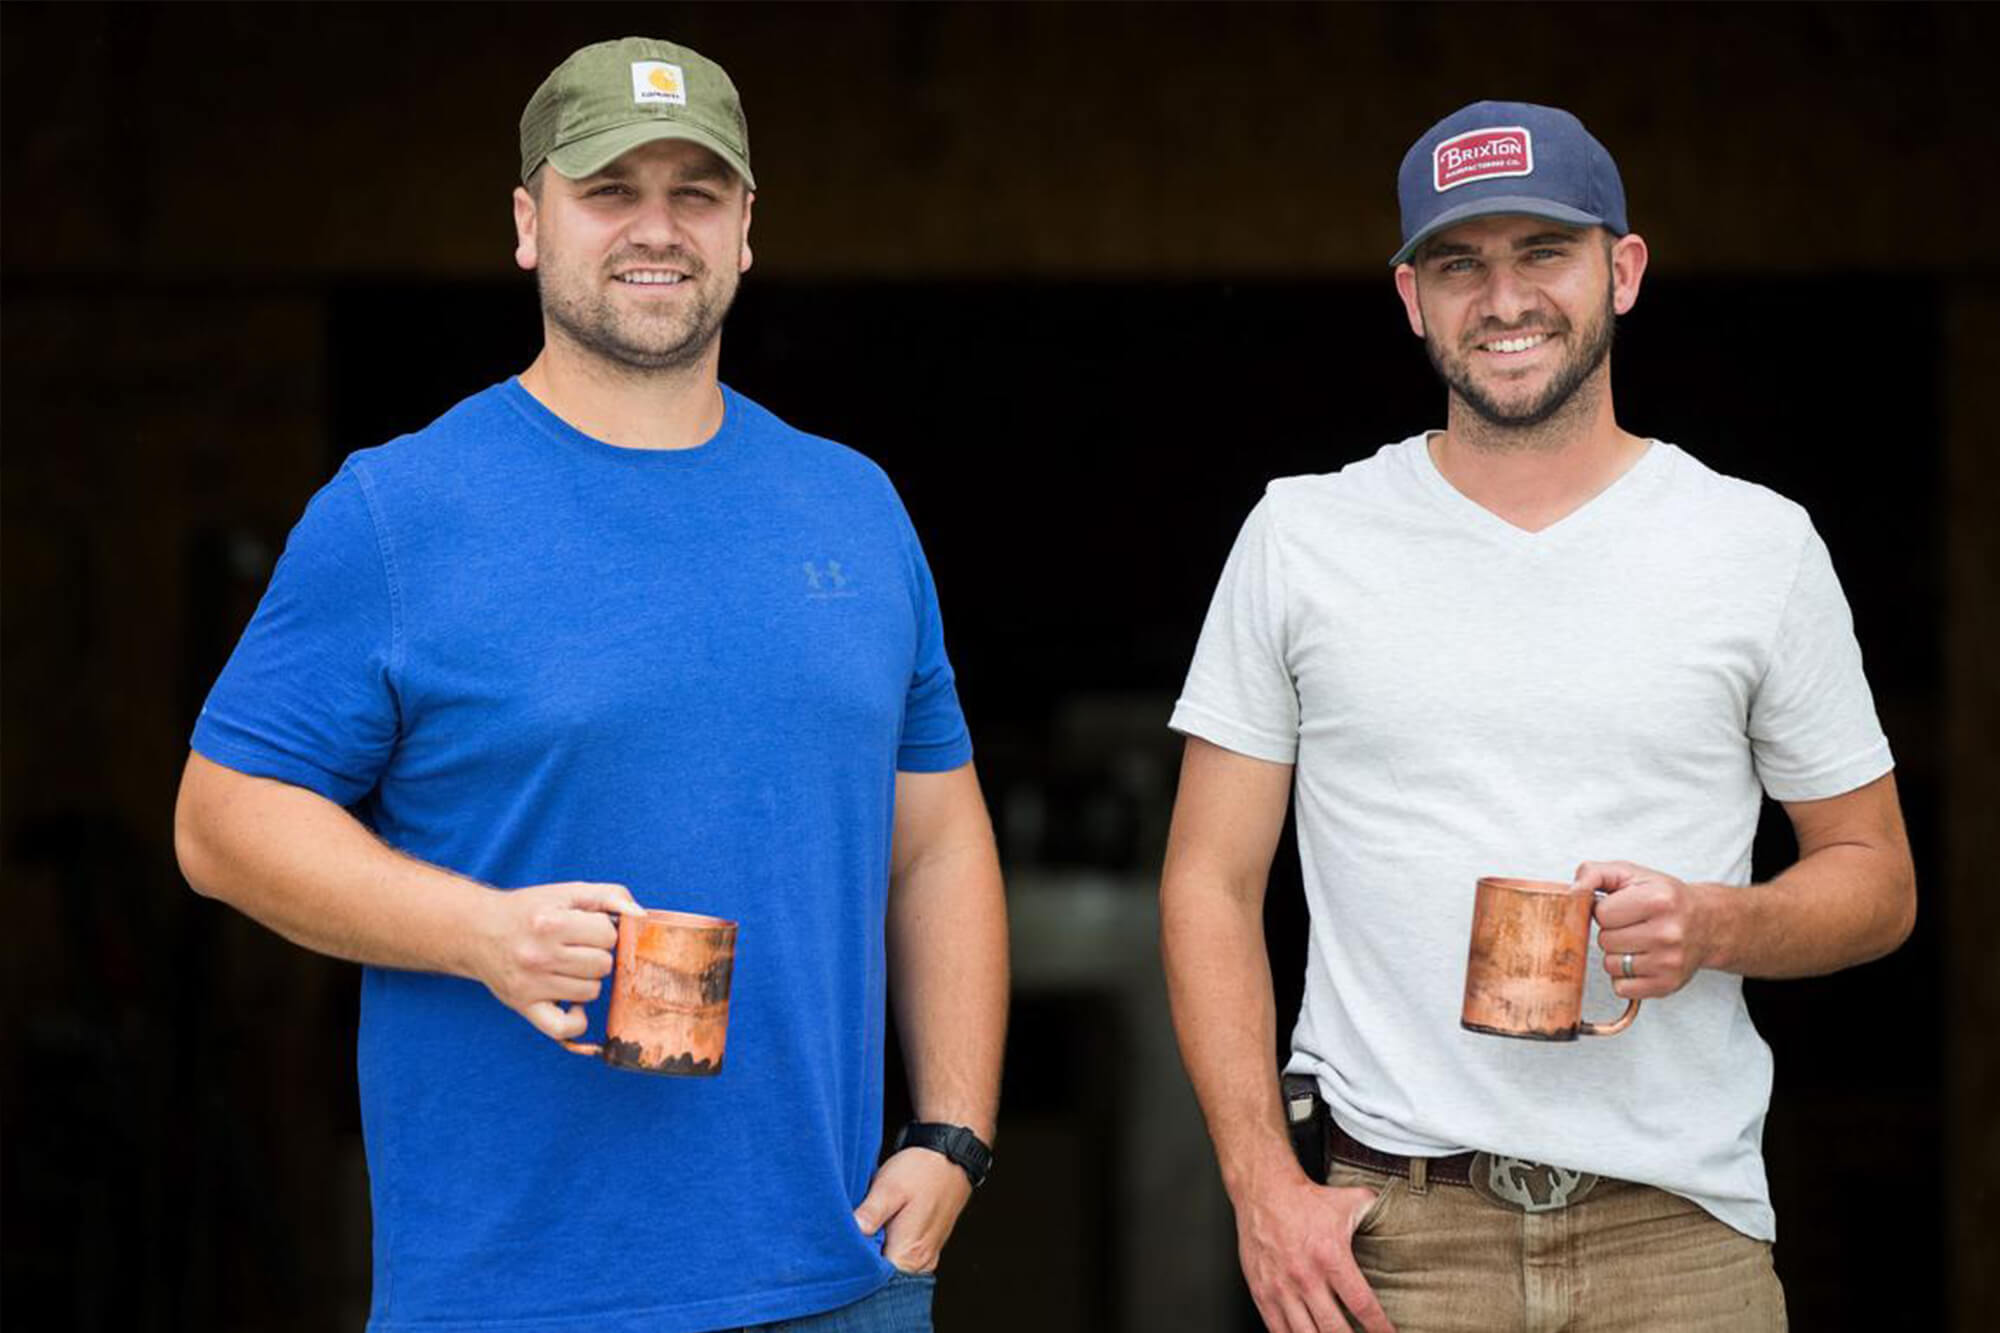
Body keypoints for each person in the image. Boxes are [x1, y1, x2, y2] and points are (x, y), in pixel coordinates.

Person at [174, 36, 1007, 1333]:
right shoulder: (400, 514)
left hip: (841, 1281)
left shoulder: (854, 505)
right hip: (520, 1295)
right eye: (611, 189)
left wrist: (952, 1133)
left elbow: (939, 839)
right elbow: (219, 824)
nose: (655, 228)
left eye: (696, 191)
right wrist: (485, 936)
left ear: (744, 232)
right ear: (528, 222)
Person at [1159, 100, 1913, 1332]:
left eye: (1541, 253)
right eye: (1459, 263)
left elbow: (1876, 879)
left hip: (1679, 1238)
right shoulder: (1300, 537)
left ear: (1621, 270)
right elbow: (1204, 881)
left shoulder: (1755, 545)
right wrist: (1260, 1190)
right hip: (1391, 1236)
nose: (1502, 298)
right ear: (1410, 297)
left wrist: (1711, 924)